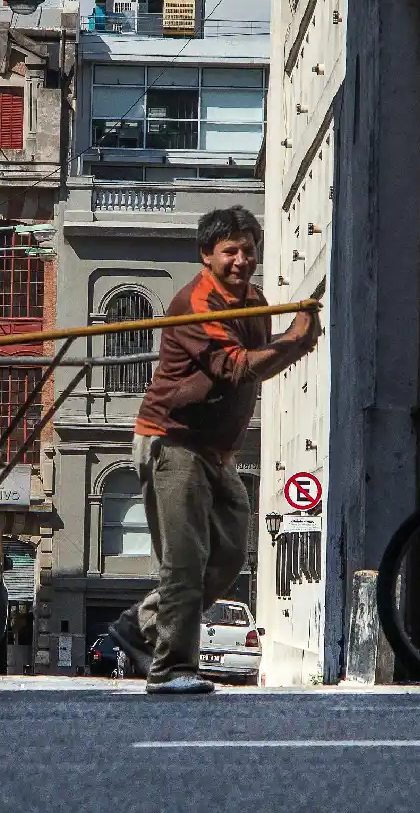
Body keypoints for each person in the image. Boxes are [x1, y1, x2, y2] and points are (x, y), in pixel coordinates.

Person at [108, 206, 321, 694]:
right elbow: (236, 368)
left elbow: (258, 363)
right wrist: (294, 340)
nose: (241, 260)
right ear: (207, 255)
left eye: (248, 250)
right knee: (185, 561)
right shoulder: (196, 302)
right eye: (230, 251)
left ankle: (141, 624)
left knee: (226, 557)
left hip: (217, 452)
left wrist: (291, 341)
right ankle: (171, 669)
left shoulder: (255, 301)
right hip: (173, 441)